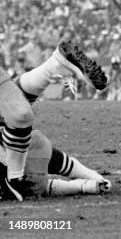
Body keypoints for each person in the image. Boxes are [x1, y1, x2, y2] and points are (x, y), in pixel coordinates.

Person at [0, 41, 107, 200]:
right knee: (19, 113)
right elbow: (47, 183)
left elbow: (44, 186)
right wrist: (90, 182)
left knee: (19, 115)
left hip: (18, 153)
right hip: (19, 148)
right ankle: (53, 66)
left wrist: (89, 183)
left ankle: (15, 178)